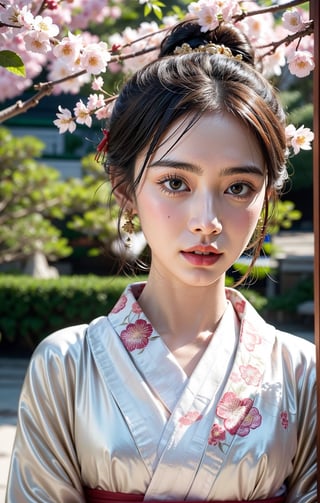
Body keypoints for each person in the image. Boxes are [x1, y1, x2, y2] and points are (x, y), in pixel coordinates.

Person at [6, 20, 316, 503]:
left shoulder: (301, 372)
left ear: (266, 196)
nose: (207, 221)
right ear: (126, 189)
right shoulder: (67, 364)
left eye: (239, 188)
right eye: (176, 183)